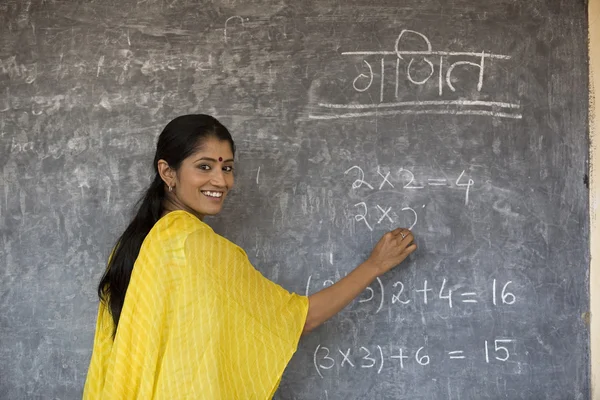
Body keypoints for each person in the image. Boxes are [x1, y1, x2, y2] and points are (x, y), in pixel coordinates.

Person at [83, 114, 416, 399]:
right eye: (204, 166)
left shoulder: (135, 245)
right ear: (168, 172)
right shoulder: (195, 245)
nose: (221, 181)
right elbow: (299, 319)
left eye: (226, 167)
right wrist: (375, 265)